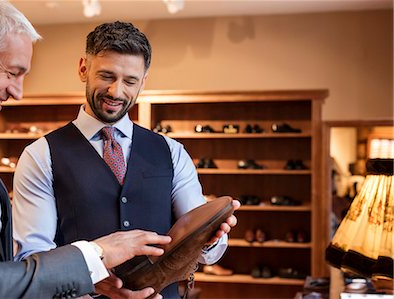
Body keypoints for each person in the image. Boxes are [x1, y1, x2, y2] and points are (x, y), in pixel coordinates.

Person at [0, 2, 172, 298]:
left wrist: (84, 280)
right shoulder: (39, 153)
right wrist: (96, 253)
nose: (18, 92)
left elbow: (1, 268)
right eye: (12, 72)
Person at [13, 21, 240, 298]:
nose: (116, 92)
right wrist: (89, 281)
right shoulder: (40, 155)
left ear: (143, 81)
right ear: (83, 68)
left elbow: (206, 251)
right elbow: (33, 258)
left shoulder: (172, 152)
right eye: (107, 76)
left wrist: (209, 239)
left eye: (130, 81)